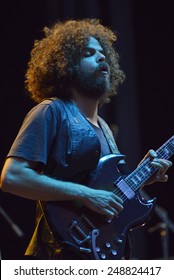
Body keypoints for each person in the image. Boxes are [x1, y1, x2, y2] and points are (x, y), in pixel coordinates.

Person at [0, 19, 172, 260]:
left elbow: (104, 197)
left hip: (102, 254)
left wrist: (142, 178)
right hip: (57, 254)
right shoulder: (51, 111)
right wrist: (85, 195)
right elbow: (12, 177)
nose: (101, 58)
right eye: (89, 53)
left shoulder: (104, 128)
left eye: (103, 54)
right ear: (65, 66)